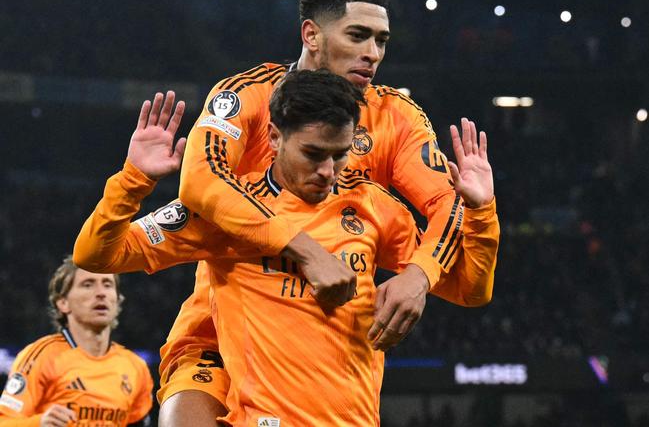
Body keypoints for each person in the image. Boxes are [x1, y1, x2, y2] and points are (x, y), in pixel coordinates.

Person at [160, 0, 500, 424]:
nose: (372, 54)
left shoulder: (395, 117)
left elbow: (450, 202)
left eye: (381, 41)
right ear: (311, 35)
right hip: (219, 328)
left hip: (323, 341)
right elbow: (199, 182)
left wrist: (418, 275)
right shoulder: (248, 97)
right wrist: (304, 250)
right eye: (358, 36)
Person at [73, 69, 499, 426]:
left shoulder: (373, 207)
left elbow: (469, 289)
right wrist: (134, 180)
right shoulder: (229, 214)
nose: (327, 172)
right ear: (274, 137)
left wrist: (481, 212)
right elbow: (96, 255)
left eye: (339, 155)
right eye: (313, 154)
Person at [0, 259, 153, 427]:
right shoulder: (41, 357)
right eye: (88, 285)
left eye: (107, 284)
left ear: (117, 301)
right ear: (63, 303)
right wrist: (39, 423)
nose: (101, 293)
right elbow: (4, 421)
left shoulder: (135, 367)